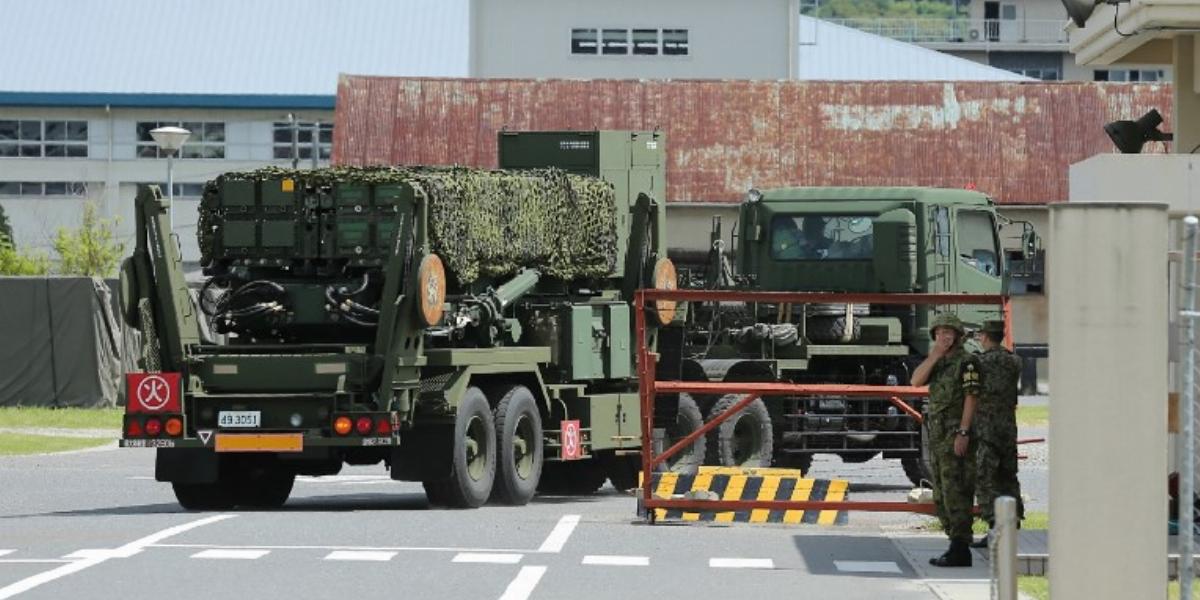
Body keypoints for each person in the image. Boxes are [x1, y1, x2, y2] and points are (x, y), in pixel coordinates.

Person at [911, 312, 980, 567]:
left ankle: (961, 547)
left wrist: (963, 432)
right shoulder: (938, 362)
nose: (944, 337)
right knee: (940, 492)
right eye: (939, 333)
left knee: (957, 492)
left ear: (958, 336)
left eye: (948, 333)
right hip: (938, 438)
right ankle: (954, 543)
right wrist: (935, 355)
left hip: (955, 436)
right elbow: (916, 381)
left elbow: (972, 398)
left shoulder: (967, 362)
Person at [970, 319, 1024, 548]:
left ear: (985, 337)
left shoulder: (979, 362)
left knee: (986, 477)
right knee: (1008, 475)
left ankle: (994, 525)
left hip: (986, 428)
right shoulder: (1014, 360)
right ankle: (1014, 520)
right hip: (1008, 426)